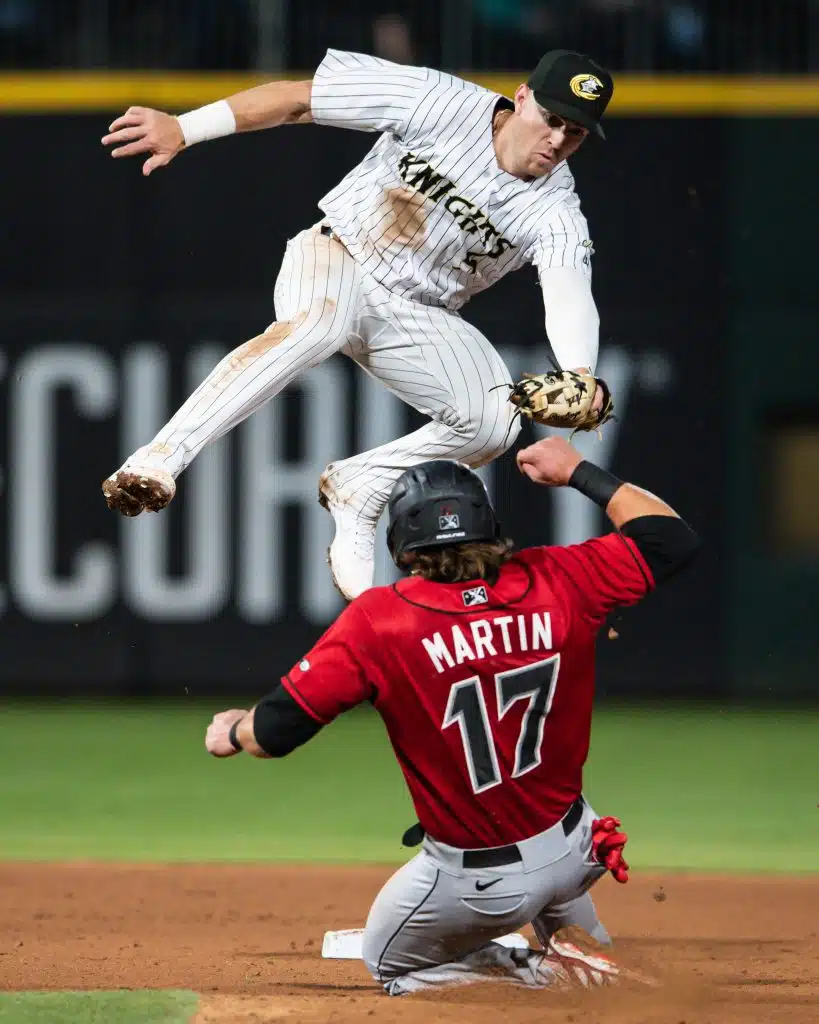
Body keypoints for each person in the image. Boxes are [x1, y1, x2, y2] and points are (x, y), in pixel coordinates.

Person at [101, 48, 614, 601]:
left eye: (575, 133)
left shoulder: (556, 209)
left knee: (494, 420)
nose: (557, 140)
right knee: (319, 325)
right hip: (339, 255)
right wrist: (185, 128)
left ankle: (361, 486)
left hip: (418, 313)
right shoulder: (438, 100)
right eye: (551, 119)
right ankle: (159, 458)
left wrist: (580, 373)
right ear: (521, 97)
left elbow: (569, 294)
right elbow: (299, 100)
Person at [204, 436, 699, 995]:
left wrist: (235, 730)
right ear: (488, 526)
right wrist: (577, 469)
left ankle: (544, 973)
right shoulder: (561, 578)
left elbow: (272, 734)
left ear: (402, 543)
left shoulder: (381, 621)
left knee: (390, 963)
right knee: (553, 875)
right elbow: (671, 539)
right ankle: (575, 937)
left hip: (483, 883)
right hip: (578, 845)